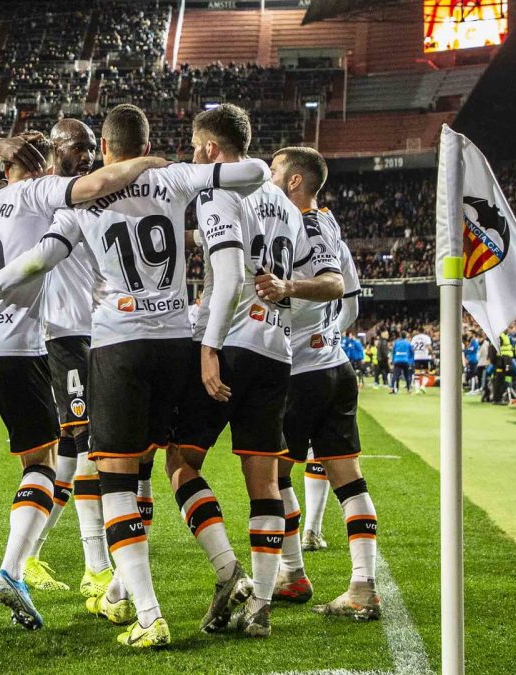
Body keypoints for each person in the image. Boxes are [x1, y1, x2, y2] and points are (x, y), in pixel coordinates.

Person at [0, 104, 273, 648]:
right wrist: (192, 170)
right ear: (146, 142)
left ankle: (148, 613)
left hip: (119, 346)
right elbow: (257, 172)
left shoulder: (83, 197)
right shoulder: (172, 178)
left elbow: (38, 259)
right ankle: (208, 577)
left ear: (105, 149)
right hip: (176, 343)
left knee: (118, 482)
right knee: (165, 467)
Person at [0, 132, 167, 632]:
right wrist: (150, 161)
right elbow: (97, 184)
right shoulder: (45, 193)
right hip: (29, 345)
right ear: (42, 163)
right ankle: (26, 567)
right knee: (50, 459)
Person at [167, 103, 301, 638]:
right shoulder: (285, 204)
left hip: (232, 343)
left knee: (180, 460)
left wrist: (208, 345)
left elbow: (228, 278)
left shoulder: (219, 189)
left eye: (197, 147)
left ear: (210, 150)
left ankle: (229, 572)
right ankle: (261, 606)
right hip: (277, 348)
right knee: (264, 480)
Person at [0, 121, 111, 598]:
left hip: (88, 333)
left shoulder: (81, 194)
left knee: (69, 455)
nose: (90, 154)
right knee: (87, 443)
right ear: (56, 150)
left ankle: (27, 555)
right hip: (58, 335)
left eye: (93, 146)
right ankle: (96, 565)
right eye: (81, 146)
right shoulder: (37, 192)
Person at [259, 146, 381, 621]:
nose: (268, 177)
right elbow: (350, 297)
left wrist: (288, 303)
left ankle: (292, 573)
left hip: (299, 374)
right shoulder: (329, 226)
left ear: (294, 182)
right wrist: (328, 335)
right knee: (348, 478)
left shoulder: (301, 227)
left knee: (274, 476)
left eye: (273, 171)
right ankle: (362, 584)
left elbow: (327, 288)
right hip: (334, 366)